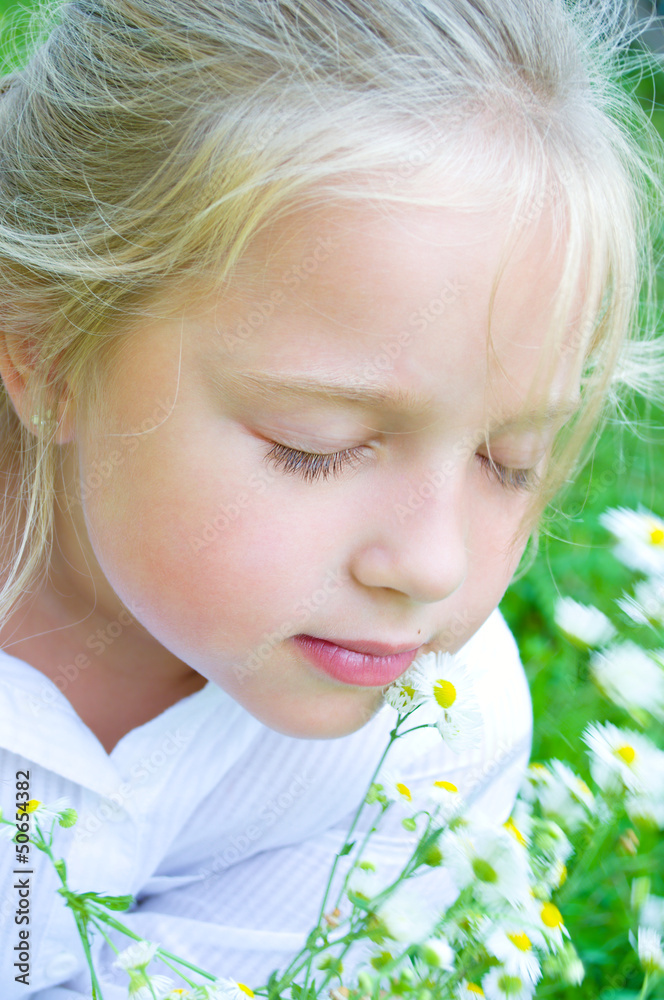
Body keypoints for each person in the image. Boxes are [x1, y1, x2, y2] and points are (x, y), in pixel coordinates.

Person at [0, 0, 660, 996]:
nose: (433, 565)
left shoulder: (435, 739)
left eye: (510, 459)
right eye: (319, 446)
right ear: (45, 356)